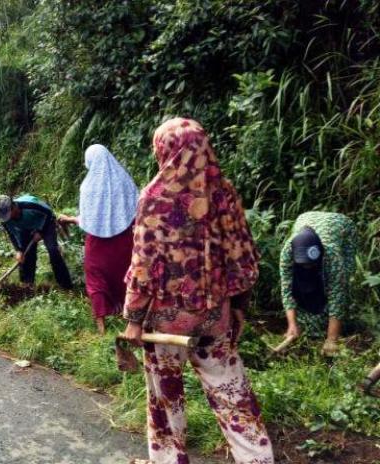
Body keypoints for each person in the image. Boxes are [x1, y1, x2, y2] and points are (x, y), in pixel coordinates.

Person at [121, 118, 273, 464]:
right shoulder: (224, 193)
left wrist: (132, 318)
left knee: (165, 402)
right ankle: (258, 458)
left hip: (163, 325)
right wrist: (238, 306)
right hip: (214, 318)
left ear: (165, 150)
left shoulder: (155, 198)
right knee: (233, 394)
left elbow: (143, 265)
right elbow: (241, 254)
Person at [58, 144, 138, 334]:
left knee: (95, 278)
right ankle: (127, 315)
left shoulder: (88, 187)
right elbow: (137, 210)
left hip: (97, 244)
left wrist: (69, 219)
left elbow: (88, 220)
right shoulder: (124, 181)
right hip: (124, 242)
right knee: (124, 275)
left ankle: (101, 325)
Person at [277, 211, 357, 356]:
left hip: (342, 226)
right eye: (304, 265)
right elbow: (287, 289)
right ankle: (305, 321)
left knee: (341, 280)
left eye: (311, 265)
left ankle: (335, 324)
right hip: (305, 217)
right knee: (302, 282)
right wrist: (292, 324)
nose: (307, 268)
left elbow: (337, 295)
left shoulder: (332, 255)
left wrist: (332, 339)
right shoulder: (287, 253)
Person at [0, 194, 73, 289]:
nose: (7, 218)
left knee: (53, 251)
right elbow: (12, 234)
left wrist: (41, 231)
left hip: (46, 222)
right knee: (25, 255)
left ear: (13, 207)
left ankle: (66, 286)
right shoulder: (5, 220)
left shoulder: (29, 205)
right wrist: (18, 250)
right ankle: (27, 285)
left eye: (8, 214)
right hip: (25, 227)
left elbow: (50, 214)